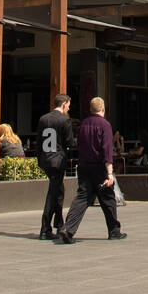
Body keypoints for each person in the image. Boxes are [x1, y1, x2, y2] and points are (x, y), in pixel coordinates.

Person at [59, 97, 126, 243]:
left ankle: (67, 228)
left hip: (84, 166)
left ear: (90, 109)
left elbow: (79, 145)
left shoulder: (83, 124)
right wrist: (109, 173)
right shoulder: (105, 125)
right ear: (103, 109)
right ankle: (114, 231)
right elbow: (107, 149)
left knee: (82, 197)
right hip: (99, 167)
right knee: (108, 198)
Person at [36, 93, 74, 239]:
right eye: (68, 107)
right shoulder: (65, 120)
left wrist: (40, 159)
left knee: (58, 190)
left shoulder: (43, 119)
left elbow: (39, 141)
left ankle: (59, 224)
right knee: (53, 194)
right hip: (58, 160)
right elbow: (70, 142)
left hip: (45, 159)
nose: (68, 110)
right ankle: (45, 228)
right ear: (64, 104)